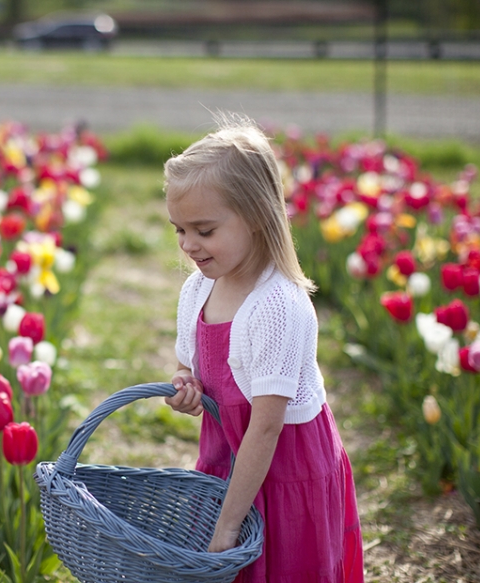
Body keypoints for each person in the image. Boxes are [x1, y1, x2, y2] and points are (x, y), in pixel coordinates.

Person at [163, 113, 364, 582]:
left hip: (284, 469)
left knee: (284, 567)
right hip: (226, 458)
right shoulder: (197, 291)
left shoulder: (277, 306)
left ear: (255, 217)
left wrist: (228, 522)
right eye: (179, 229)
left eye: (204, 230)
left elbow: (267, 427)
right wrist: (183, 384)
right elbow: (186, 363)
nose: (189, 244)